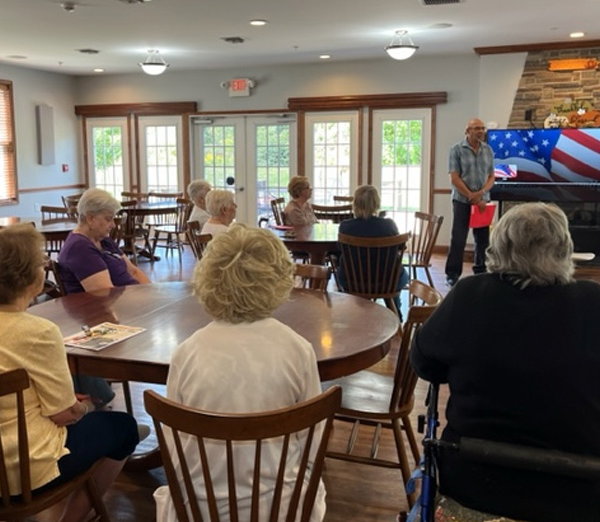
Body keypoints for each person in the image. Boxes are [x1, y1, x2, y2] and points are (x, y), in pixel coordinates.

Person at [411, 202, 600, 522]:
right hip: (579, 494)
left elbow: (424, 364)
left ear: (497, 247)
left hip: (472, 484)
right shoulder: (593, 303)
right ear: (565, 249)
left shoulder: (469, 295)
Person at [154, 224, 325, 522]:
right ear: (279, 279)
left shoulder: (186, 352)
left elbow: (175, 450)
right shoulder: (298, 350)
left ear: (209, 278)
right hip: (281, 508)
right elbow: (312, 445)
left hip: (201, 510)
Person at [0, 224, 140, 522]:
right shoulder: (38, 331)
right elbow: (63, 414)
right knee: (124, 427)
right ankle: (70, 518)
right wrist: (84, 407)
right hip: (24, 468)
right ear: (32, 278)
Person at [57, 187, 151, 407]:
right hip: (100, 321)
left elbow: (134, 271)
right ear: (90, 218)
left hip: (128, 309)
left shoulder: (104, 240)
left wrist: (156, 296)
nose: (113, 225)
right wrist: (145, 305)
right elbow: (106, 296)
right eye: (108, 219)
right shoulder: (80, 248)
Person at [337, 185, 409, 316]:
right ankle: (395, 313)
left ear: (355, 204)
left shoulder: (345, 226)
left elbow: (339, 251)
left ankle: (350, 314)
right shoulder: (389, 225)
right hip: (387, 282)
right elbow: (400, 248)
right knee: (398, 271)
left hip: (353, 281)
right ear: (377, 203)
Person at [445, 117, 495, 287]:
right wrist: (471, 195)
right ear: (467, 131)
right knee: (458, 238)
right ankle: (452, 274)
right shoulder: (456, 150)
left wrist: (480, 194)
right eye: (476, 128)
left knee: (482, 239)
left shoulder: (488, 150)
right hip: (461, 201)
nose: (480, 131)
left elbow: (491, 176)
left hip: (482, 202)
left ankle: (481, 272)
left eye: (482, 128)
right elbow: (454, 178)